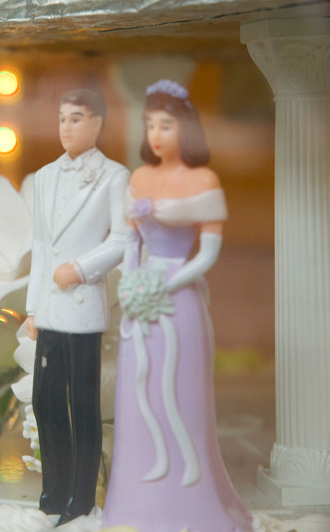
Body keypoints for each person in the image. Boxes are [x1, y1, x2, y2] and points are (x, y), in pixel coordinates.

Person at [101, 80, 253, 532]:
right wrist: (132, 281)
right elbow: (129, 240)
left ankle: (191, 502)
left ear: (184, 128)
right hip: (139, 302)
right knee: (138, 397)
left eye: (165, 125)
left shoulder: (203, 181)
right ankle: (135, 504)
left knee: (181, 396)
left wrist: (166, 284)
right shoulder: (139, 179)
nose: (156, 135)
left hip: (179, 300)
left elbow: (206, 254)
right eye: (150, 125)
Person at [25, 89, 129, 524]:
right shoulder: (45, 176)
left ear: (97, 124)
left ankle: (80, 500)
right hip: (50, 308)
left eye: (77, 118)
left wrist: (81, 269)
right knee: (45, 400)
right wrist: (32, 307)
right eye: (62, 118)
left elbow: (121, 240)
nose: (67, 127)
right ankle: (54, 492)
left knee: (82, 405)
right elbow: (40, 247)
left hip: (83, 305)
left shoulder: (114, 176)